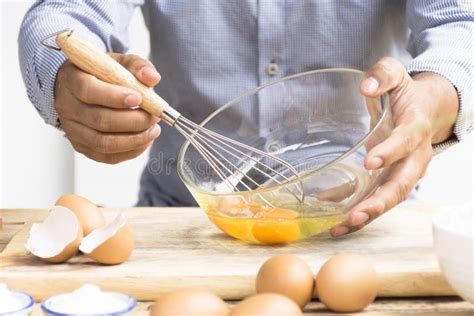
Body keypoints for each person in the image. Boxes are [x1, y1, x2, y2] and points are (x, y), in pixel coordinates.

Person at [19, 1, 472, 237]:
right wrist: (62, 80)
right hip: (189, 221)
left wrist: (433, 96)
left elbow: (461, 22)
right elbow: (63, 13)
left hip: (370, 215)